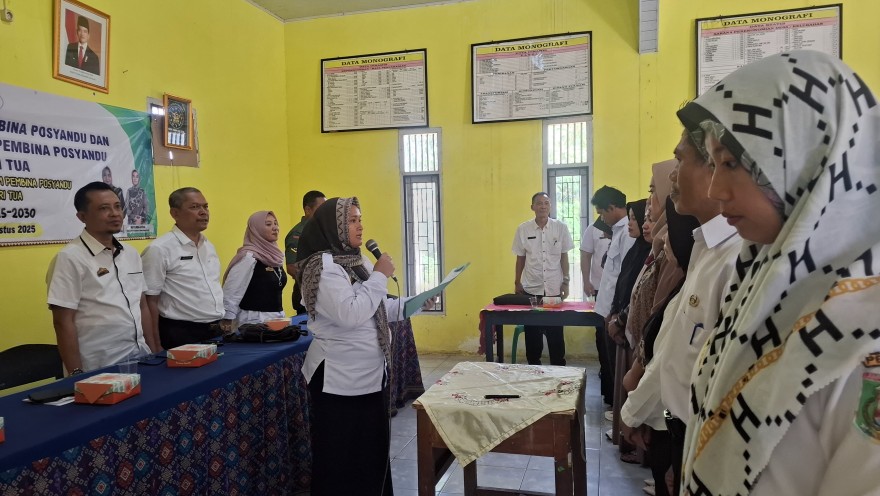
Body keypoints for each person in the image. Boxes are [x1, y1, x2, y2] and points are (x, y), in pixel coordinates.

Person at [679, 51, 880, 496]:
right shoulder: (760, 280)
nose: (715, 189)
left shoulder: (866, 334)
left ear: (807, 157)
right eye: (712, 163)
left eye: (731, 164)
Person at [620, 128, 742, 494]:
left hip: (702, 435)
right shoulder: (704, 247)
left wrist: (638, 409)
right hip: (675, 426)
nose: (673, 174)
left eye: (680, 159)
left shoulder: (736, 259)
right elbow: (674, 347)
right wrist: (640, 410)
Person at [297, 197, 425, 496]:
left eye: (360, 219)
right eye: (352, 220)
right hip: (338, 380)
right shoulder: (323, 267)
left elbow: (377, 307)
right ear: (335, 226)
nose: (360, 226)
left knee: (370, 452)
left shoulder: (358, 261)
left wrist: (416, 304)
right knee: (341, 456)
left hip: (369, 375)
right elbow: (350, 314)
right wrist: (379, 274)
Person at [46, 182, 156, 374]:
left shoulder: (131, 253)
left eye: (117, 206)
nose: (115, 214)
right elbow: (63, 322)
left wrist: (154, 352)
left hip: (140, 357)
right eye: (104, 208)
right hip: (99, 368)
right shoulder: (70, 258)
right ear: (82, 217)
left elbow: (142, 305)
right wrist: (76, 375)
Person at [142, 187, 224, 349]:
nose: (203, 212)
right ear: (175, 213)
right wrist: (155, 344)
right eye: (194, 207)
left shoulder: (208, 246)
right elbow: (150, 300)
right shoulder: (159, 249)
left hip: (215, 329)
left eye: (205, 206)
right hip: (180, 332)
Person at [512, 192, 574, 366]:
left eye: (546, 203)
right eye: (539, 203)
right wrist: (517, 282)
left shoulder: (560, 228)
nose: (543, 206)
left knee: (555, 333)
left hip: (553, 290)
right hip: (531, 289)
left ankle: (558, 369)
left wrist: (566, 281)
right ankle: (534, 367)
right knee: (532, 333)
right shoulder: (523, 229)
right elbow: (520, 258)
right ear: (532, 207)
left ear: (550, 206)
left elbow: (564, 257)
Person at [591, 185, 633, 404]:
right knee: (608, 361)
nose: (602, 219)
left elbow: (625, 278)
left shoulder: (628, 233)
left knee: (617, 363)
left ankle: (620, 409)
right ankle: (613, 404)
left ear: (612, 207)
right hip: (607, 308)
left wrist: (615, 312)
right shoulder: (617, 232)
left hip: (614, 311)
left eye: (602, 213)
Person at [222, 211, 287, 331]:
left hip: (276, 318)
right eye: (268, 224)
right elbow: (232, 291)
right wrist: (227, 319)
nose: (275, 228)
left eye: (276, 223)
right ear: (256, 230)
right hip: (252, 322)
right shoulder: (248, 257)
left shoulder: (275, 256)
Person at [285, 190, 326, 314]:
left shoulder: (322, 231)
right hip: (307, 296)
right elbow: (291, 267)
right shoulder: (298, 233)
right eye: (321, 209)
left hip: (325, 295)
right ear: (308, 210)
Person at [580, 216, 612, 297]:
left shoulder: (625, 228)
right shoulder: (593, 228)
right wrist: (586, 281)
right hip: (599, 285)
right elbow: (585, 255)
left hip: (620, 283)